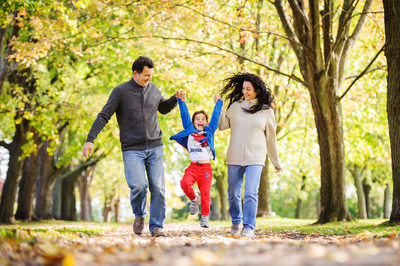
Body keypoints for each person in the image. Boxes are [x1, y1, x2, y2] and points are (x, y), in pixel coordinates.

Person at [82, 56, 185, 237]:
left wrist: (175, 99)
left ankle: (157, 227)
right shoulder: (120, 91)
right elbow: (104, 115)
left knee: (158, 188)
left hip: (155, 146)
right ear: (135, 73)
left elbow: (162, 108)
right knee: (138, 186)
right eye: (146, 75)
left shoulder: (153, 89)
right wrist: (90, 138)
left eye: (151, 75)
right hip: (132, 149)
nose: (149, 79)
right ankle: (139, 215)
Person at [217, 72, 282, 238]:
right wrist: (219, 107)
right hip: (234, 156)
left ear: (257, 90)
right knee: (233, 194)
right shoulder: (235, 106)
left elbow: (271, 139)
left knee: (251, 192)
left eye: (248, 89)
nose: (245, 92)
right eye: (243, 89)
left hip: (256, 158)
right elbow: (222, 126)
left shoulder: (266, 111)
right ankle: (236, 221)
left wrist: (275, 161)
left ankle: (249, 227)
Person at [170, 94, 223, 228]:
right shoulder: (190, 131)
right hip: (193, 167)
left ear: (206, 122)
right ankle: (194, 199)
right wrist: (181, 101)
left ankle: (204, 217)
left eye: (203, 119)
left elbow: (216, 117)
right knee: (184, 184)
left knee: (205, 193)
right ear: (193, 122)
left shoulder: (209, 132)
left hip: (206, 169)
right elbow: (184, 115)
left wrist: (219, 103)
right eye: (197, 119)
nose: (200, 120)